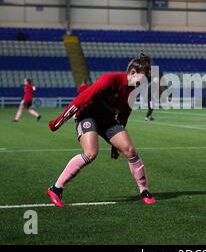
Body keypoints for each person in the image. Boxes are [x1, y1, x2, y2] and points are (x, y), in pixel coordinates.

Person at [47, 53, 156, 208]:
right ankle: (56, 189)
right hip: (87, 115)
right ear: (132, 73)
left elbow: (124, 115)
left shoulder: (132, 91)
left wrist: (115, 146)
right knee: (91, 153)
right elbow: (82, 98)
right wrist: (59, 121)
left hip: (107, 120)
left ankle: (144, 191)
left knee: (130, 150)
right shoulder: (110, 79)